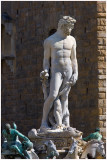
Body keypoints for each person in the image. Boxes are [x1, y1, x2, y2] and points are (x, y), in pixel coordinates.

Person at [40, 16, 78, 130]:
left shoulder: (72, 40)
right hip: (56, 71)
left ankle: (65, 123)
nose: (70, 30)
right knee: (53, 95)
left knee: (65, 97)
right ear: (62, 26)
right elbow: (46, 60)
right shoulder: (50, 41)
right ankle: (43, 123)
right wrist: (45, 70)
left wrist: (76, 73)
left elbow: (74, 59)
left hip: (68, 69)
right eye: (69, 27)